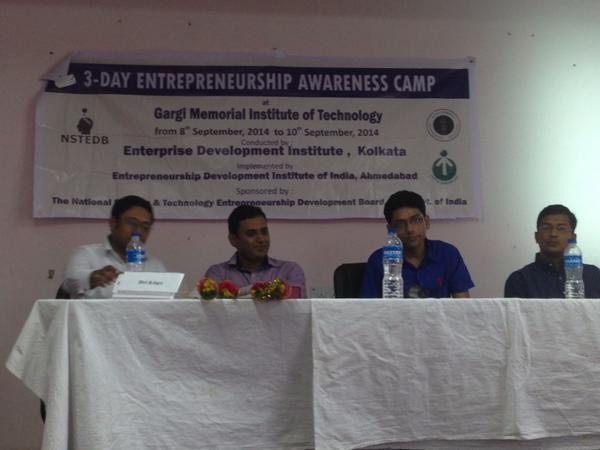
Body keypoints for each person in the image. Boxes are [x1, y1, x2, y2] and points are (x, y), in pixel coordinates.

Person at [360, 190, 474, 298]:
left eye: (416, 220)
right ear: (390, 230)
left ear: (427, 222)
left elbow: (463, 305)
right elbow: (369, 309)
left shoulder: (448, 254)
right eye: (400, 224)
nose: (409, 229)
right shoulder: (378, 260)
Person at [62, 195, 167, 299]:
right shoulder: (87, 254)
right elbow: (67, 282)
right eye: (132, 223)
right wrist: (91, 277)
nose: (138, 231)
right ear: (113, 223)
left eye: (145, 226)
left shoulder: (156, 266)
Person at [205, 204, 306, 298]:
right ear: (233, 240)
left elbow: (297, 308)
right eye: (251, 234)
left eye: (264, 232)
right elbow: (214, 309)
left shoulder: (289, 271)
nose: (261, 239)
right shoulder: (218, 274)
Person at [504, 204, 600, 298]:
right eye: (546, 228)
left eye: (561, 228)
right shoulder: (520, 280)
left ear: (573, 237)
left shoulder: (594, 276)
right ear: (536, 236)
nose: (553, 234)